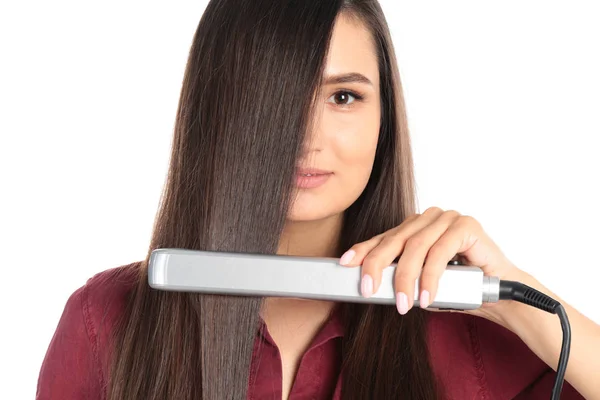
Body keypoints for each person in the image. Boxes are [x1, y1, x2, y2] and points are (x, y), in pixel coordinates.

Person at [36, 0, 599, 399]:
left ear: (385, 121)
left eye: (344, 96)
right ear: (215, 113)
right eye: (273, 97)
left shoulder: (469, 333)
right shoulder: (105, 321)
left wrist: (512, 299)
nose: (306, 135)